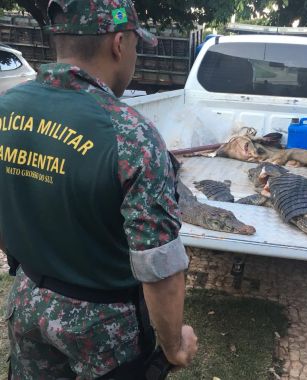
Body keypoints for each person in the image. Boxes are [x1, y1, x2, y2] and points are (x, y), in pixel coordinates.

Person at [0, 0, 198, 378]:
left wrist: (37, 259)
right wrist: (174, 346)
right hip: (105, 328)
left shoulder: (5, 108)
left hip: (27, 302)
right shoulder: (131, 134)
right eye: (137, 47)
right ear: (119, 44)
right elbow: (159, 266)